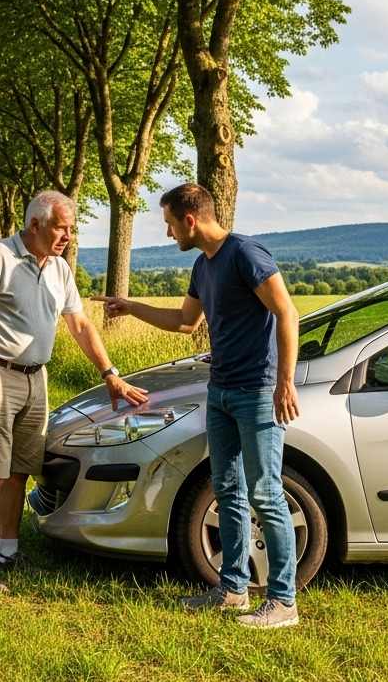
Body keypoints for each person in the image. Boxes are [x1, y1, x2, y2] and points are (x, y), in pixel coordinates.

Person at [92, 183, 302, 629]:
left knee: (265, 492)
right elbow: (186, 323)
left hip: (258, 392)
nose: (168, 234)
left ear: (190, 220)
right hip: (221, 391)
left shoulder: (246, 254)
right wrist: (130, 307)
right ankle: (233, 591)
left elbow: (286, 312)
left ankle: (283, 602)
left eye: (169, 224)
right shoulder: (202, 266)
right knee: (227, 488)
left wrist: (284, 383)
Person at [0, 190, 148, 593]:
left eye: (70, 230)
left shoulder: (59, 268)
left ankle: (8, 552)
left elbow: (80, 326)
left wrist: (110, 372)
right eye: (61, 228)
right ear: (35, 224)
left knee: (21, 469)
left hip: (36, 378)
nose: (67, 237)